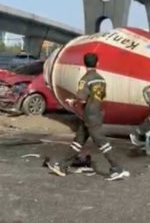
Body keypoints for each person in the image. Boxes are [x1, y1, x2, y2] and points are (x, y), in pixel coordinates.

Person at [47, 53, 130, 181]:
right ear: (97, 63)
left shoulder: (85, 79)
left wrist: (72, 101)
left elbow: (81, 98)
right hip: (96, 113)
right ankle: (63, 167)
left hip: (89, 115)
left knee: (101, 141)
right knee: (79, 140)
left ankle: (117, 168)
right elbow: (100, 97)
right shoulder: (101, 79)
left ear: (84, 64)